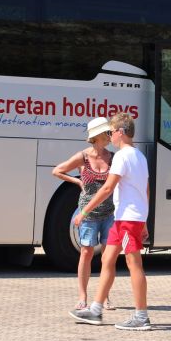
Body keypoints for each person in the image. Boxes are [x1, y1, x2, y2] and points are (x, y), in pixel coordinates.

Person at [69, 112, 152, 331]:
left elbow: (107, 188)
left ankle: (141, 316)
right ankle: (95, 310)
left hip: (127, 219)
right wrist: (144, 221)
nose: (110, 136)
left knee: (134, 265)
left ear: (121, 133)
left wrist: (84, 211)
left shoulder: (123, 157)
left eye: (112, 131)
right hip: (126, 218)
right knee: (107, 259)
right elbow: (145, 190)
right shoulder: (140, 156)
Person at [52, 117, 116, 311]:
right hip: (87, 213)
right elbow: (57, 171)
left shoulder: (113, 157)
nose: (110, 136)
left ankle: (104, 297)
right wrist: (78, 182)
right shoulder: (83, 157)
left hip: (109, 213)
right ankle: (82, 296)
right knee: (86, 253)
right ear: (97, 136)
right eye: (107, 133)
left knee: (108, 256)